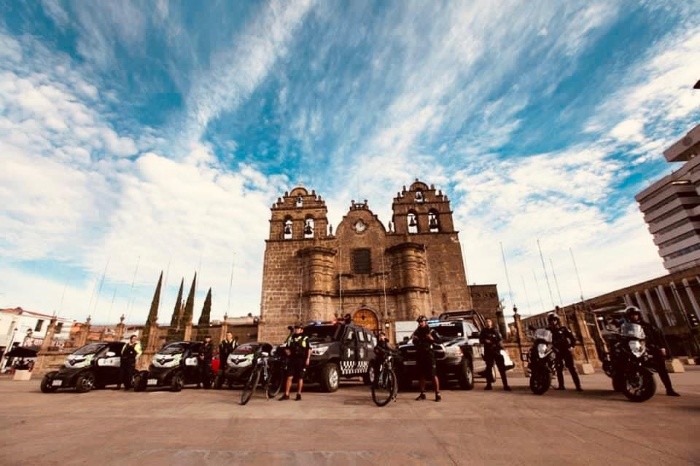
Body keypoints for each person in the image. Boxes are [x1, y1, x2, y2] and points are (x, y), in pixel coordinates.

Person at [626, 306, 680, 397]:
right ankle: (640, 387)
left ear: (638, 315)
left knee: (662, 369)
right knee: (635, 367)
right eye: (631, 315)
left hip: (651, 348)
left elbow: (657, 336)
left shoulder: (647, 326)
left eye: (635, 314)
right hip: (636, 349)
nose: (633, 316)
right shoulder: (628, 327)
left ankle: (669, 389)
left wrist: (662, 347)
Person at [547, 313, 582, 392]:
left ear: (557, 320)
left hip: (566, 350)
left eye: (554, 320)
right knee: (559, 368)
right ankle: (561, 385)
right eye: (551, 320)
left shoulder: (563, 329)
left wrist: (572, 346)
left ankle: (578, 386)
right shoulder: (549, 330)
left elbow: (572, 338)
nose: (553, 321)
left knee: (571, 368)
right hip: (557, 350)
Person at [412, 315, 441, 402]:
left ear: (425, 322)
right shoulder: (417, 331)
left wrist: (431, 338)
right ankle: (422, 394)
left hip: (429, 355)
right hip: (420, 355)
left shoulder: (431, 331)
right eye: (419, 322)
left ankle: (437, 394)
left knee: (433, 374)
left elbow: (439, 341)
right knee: (421, 375)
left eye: (422, 322)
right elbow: (414, 342)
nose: (420, 323)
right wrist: (415, 339)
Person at [280, 323, 311, 401]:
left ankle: (298, 394)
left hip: (301, 360)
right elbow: (286, 346)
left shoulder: (305, 338)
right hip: (292, 359)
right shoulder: (291, 337)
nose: (296, 330)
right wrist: (287, 351)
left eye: (298, 328)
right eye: (296, 328)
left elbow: (309, 349)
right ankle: (286, 394)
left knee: (300, 377)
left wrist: (308, 358)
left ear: (301, 330)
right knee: (289, 377)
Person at [479, 318, 511, 391]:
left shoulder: (495, 330)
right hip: (488, 352)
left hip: (496, 351)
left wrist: (503, 348)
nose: (488, 323)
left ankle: (505, 385)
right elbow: (481, 340)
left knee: (501, 369)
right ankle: (489, 385)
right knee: (488, 368)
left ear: (491, 323)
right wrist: (485, 340)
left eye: (489, 321)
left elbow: (500, 340)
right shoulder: (483, 331)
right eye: (486, 322)